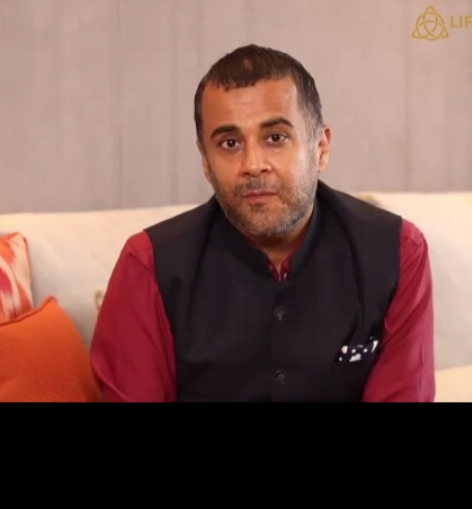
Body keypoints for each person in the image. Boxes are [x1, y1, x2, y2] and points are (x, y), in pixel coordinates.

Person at [90, 45, 435, 402]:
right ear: (206, 162)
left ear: (320, 148)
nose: (253, 164)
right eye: (230, 143)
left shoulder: (397, 253)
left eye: (275, 138)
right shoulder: (149, 265)